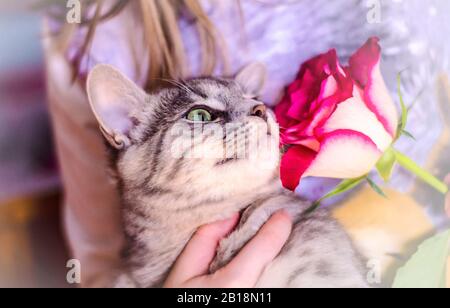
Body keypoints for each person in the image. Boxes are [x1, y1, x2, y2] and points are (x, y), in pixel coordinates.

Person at [42, 0, 450, 287]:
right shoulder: (98, 35)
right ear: (129, 133)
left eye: (257, 108)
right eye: (202, 115)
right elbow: (93, 265)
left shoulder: (310, 242)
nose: (256, 115)